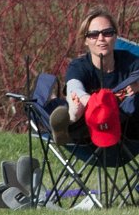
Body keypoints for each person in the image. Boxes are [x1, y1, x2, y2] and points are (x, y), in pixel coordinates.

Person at [49, 8, 139, 145]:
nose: (101, 38)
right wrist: (90, 102)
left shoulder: (130, 62)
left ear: (115, 36)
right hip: (88, 130)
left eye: (107, 33)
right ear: (85, 40)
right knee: (74, 101)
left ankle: (72, 118)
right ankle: (71, 119)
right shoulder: (79, 66)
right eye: (93, 35)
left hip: (125, 129)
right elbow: (74, 86)